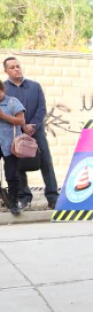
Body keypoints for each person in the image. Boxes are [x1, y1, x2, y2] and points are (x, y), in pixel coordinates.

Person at [3, 57, 59, 210]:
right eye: (12, 67)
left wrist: (31, 125)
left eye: (18, 66)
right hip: (14, 133)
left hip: (37, 131)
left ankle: (53, 197)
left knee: (46, 163)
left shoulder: (35, 86)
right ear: (6, 70)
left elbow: (42, 108)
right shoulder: (4, 89)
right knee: (17, 166)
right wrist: (22, 126)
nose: (16, 69)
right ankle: (24, 197)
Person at [0, 81, 25, 216]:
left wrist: (3, 116)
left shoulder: (12, 102)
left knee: (12, 175)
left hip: (10, 144)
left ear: (2, 89)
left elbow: (21, 121)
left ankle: (14, 203)